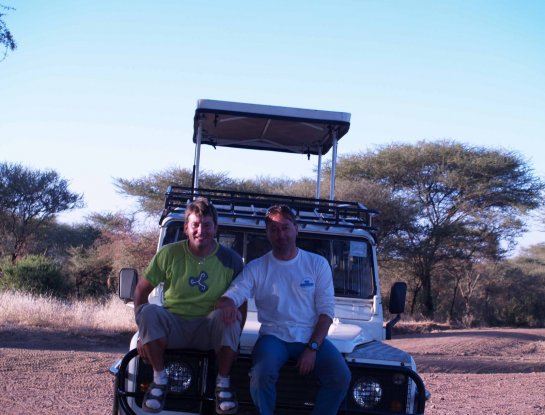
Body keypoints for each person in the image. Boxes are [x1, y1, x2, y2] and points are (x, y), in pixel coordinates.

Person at [216, 204, 351, 415]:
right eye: (274, 230)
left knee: (341, 375)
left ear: (296, 229)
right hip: (273, 336)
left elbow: (326, 313)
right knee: (261, 376)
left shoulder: (317, 264)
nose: (281, 235)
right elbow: (233, 294)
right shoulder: (257, 267)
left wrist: (312, 348)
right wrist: (227, 304)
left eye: (286, 228)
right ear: (267, 234)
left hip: (310, 335)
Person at [133, 197, 246, 414]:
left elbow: (241, 302)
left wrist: (235, 338)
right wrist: (143, 334)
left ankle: (223, 384)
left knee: (230, 315)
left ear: (215, 228)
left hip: (209, 327)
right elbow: (141, 291)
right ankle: (159, 379)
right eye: (195, 224)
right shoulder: (169, 254)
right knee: (148, 312)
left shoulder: (231, 259)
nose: (200, 230)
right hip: (173, 325)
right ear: (186, 227)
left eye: (206, 225)